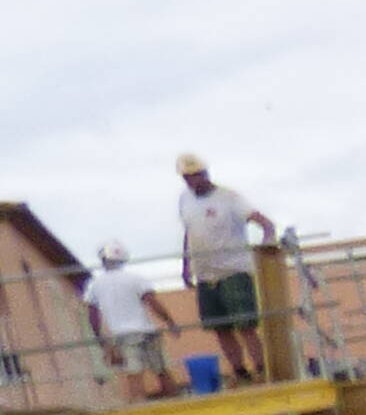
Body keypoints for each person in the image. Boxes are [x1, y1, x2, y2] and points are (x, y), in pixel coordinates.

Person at [174, 154, 270, 381]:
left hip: (233, 270)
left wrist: (267, 241)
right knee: (220, 327)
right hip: (206, 274)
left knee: (245, 324)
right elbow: (189, 232)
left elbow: (262, 221)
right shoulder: (184, 200)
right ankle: (240, 371)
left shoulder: (229, 197)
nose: (191, 182)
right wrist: (186, 265)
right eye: (187, 178)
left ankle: (263, 368)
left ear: (205, 174)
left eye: (195, 176)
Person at [79, 239, 171, 395]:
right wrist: (169, 321)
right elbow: (152, 302)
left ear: (103, 260)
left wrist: (101, 340)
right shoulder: (136, 278)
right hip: (147, 331)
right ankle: (174, 402)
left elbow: (93, 315)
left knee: (133, 374)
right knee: (161, 371)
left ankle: (139, 410)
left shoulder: (95, 284)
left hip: (122, 335)